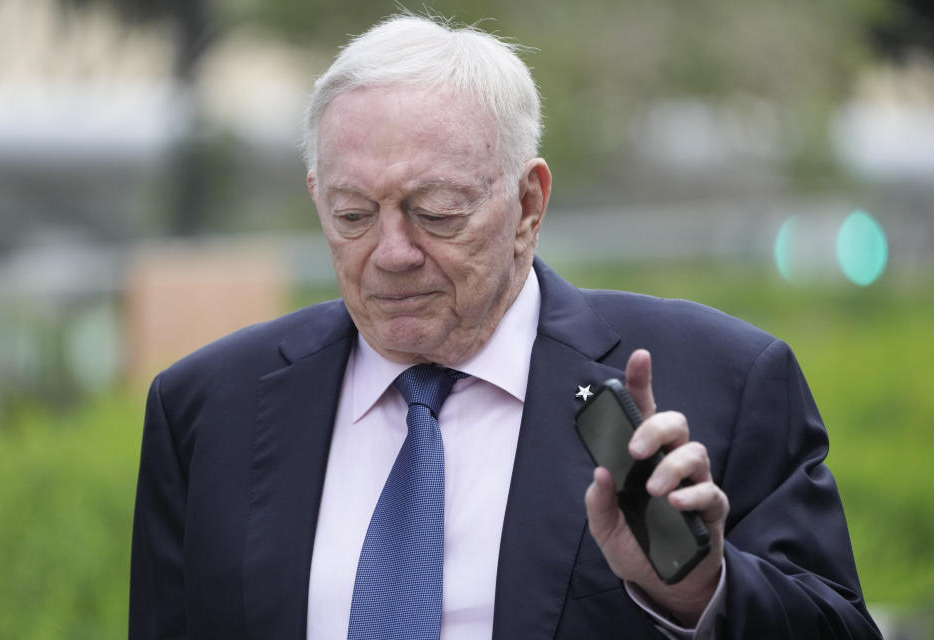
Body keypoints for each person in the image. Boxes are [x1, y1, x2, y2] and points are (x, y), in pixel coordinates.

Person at [129, 13, 881, 640]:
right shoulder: (207, 408)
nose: (391, 254)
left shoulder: (723, 383)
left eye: (437, 212)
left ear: (528, 205)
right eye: (352, 215)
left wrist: (701, 591)